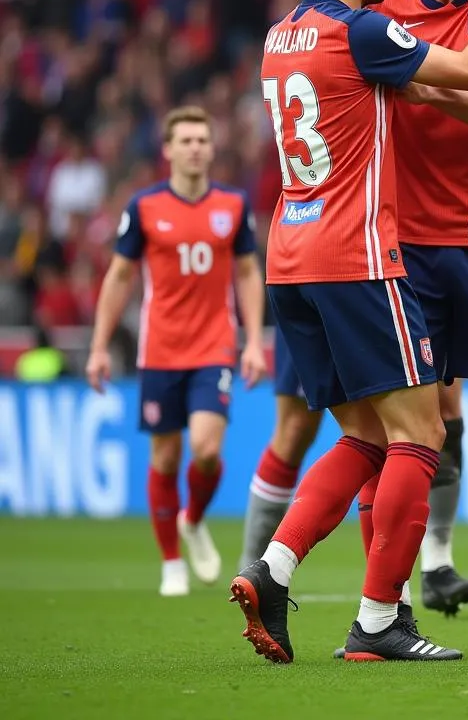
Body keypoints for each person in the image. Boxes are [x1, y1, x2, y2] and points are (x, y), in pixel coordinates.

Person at [230, 0, 468, 664]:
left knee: (365, 437)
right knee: (422, 435)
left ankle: (271, 566)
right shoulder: (363, 28)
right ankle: (379, 620)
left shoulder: (281, 34)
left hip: (291, 258)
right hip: (358, 257)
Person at [86, 106, 266, 597]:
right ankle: (171, 562)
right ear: (167, 150)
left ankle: (192, 518)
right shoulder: (143, 208)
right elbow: (120, 276)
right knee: (165, 459)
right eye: (184, 140)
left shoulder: (232, 204)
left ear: (211, 148)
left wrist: (252, 342)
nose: (194, 148)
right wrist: (99, 347)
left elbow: (248, 272)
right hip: (160, 351)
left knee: (206, 451)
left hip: (214, 348)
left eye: (201, 140)